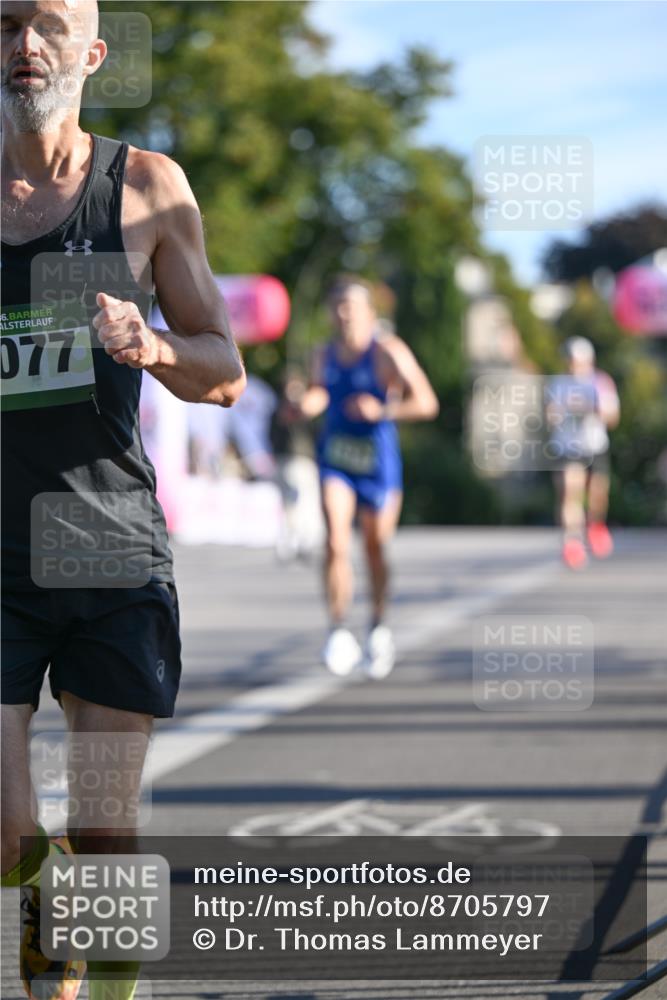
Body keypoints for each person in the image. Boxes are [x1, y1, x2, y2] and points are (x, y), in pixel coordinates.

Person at [0, 3, 246, 999]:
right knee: (8, 831)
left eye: (48, 26)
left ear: (92, 54)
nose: (24, 45)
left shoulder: (145, 189)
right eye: (6, 23)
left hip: (107, 543)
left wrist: (150, 346)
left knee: (105, 825)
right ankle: (46, 896)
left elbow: (223, 368)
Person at [295, 276, 439, 678]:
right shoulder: (322, 353)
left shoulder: (387, 351)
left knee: (374, 548)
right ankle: (338, 630)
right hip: (337, 458)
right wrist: (303, 406)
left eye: (351, 307)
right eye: (337, 306)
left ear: (369, 313)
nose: (343, 314)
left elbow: (427, 402)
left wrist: (382, 411)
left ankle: (377, 625)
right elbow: (319, 392)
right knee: (336, 541)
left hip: (377, 461)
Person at [545, 337, 620, 570]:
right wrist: (556, 414)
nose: (573, 365)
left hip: (594, 446)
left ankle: (595, 525)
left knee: (597, 495)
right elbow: (549, 416)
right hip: (568, 448)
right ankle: (572, 542)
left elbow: (613, 418)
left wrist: (595, 409)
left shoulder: (600, 382)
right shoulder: (557, 384)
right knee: (570, 492)